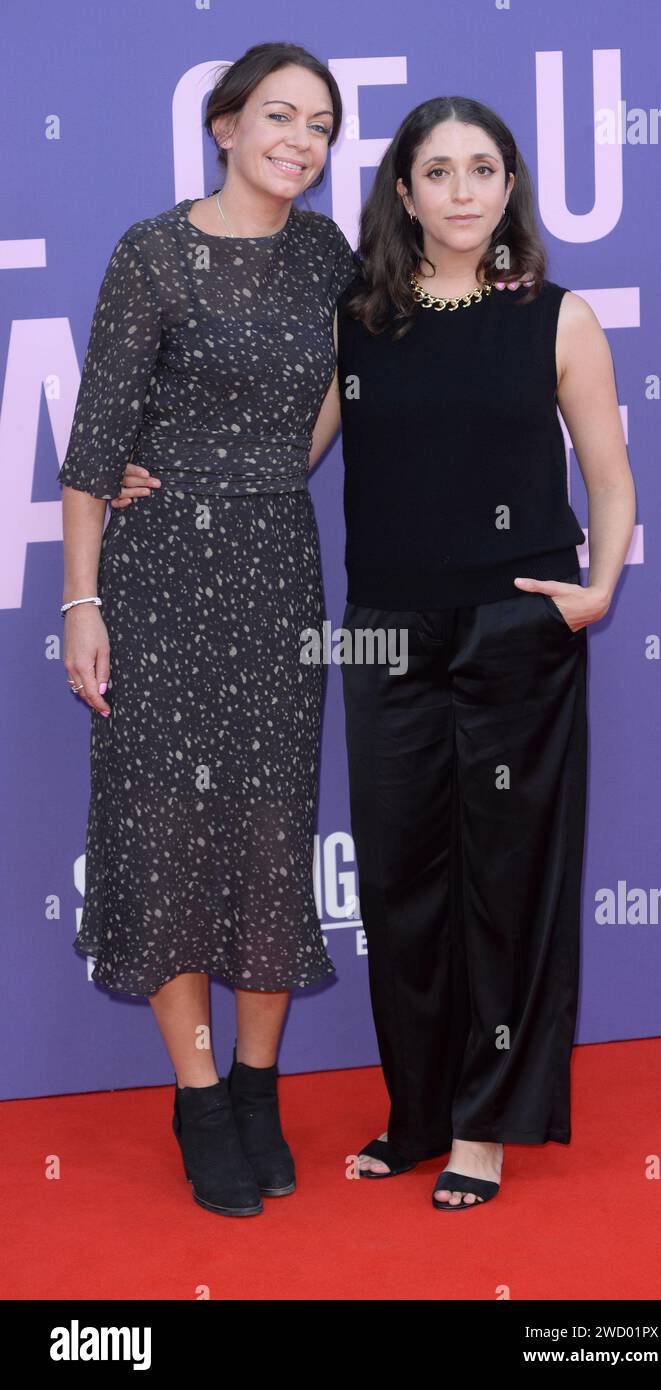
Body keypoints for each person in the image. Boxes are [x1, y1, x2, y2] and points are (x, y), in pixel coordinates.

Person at [58, 43, 358, 1218]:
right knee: (172, 832)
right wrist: (82, 603)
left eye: (322, 125)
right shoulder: (152, 252)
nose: (300, 139)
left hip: (278, 570)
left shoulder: (326, 255)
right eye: (279, 115)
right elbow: (92, 454)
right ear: (225, 125)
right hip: (158, 574)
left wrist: (279, 467)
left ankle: (257, 1085)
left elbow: (345, 384)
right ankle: (196, 1100)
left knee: (273, 831)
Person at [336, 97, 635, 1209]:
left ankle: (484, 1126)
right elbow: (280, 447)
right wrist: (157, 478)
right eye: (438, 171)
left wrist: (595, 590)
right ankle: (418, 1110)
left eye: (483, 169)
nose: (462, 191)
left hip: (516, 630)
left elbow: (609, 475)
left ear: (508, 188)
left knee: (506, 881)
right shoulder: (355, 321)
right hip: (382, 631)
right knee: (402, 879)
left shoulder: (559, 318)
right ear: (403, 192)